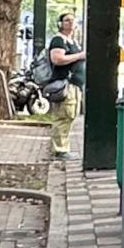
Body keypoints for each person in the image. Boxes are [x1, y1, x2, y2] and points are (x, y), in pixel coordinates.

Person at [47, 12, 87, 159]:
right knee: (63, 116)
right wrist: (79, 56)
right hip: (65, 84)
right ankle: (60, 150)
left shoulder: (73, 41)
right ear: (60, 23)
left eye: (72, 21)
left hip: (74, 85)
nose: (70, 23)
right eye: (66, 21)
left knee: (70, 115)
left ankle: (64, 147)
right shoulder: (59, 40)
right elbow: (57, 59)